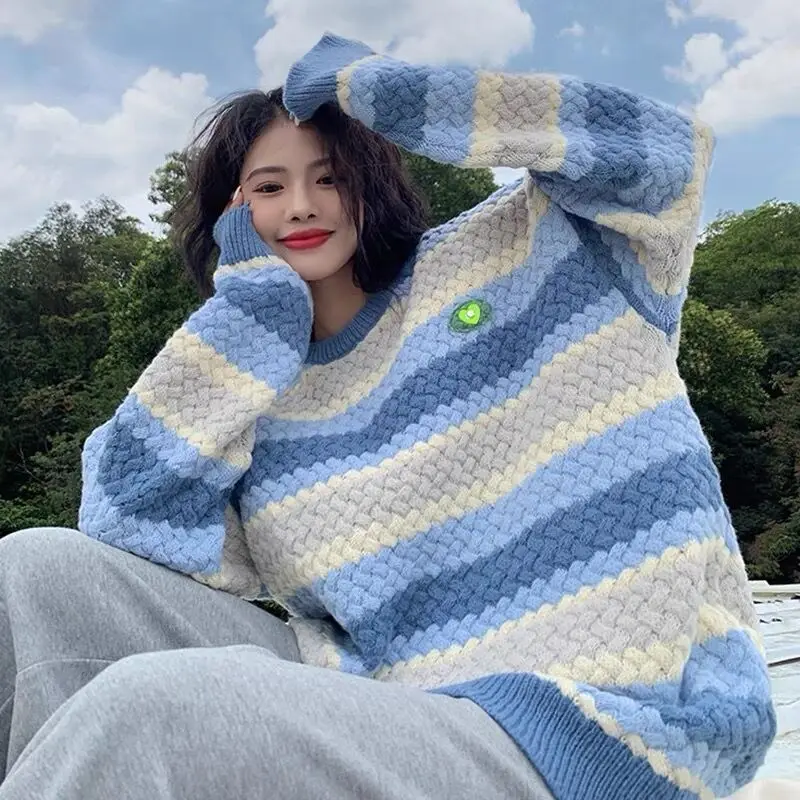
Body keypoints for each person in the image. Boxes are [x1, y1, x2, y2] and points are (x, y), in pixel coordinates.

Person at [0, 31, 776, 800]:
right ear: (231, 213)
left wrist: (382, 92)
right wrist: (253, 313)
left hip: (589, 725)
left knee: (157, 710)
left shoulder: (537, 245)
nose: (301, 205)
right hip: (378, 697)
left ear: (370, 180)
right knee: (34, 571)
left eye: (329, 177)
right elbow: (125, 527)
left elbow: (667, 154)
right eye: (267, 188)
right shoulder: (253, 386)